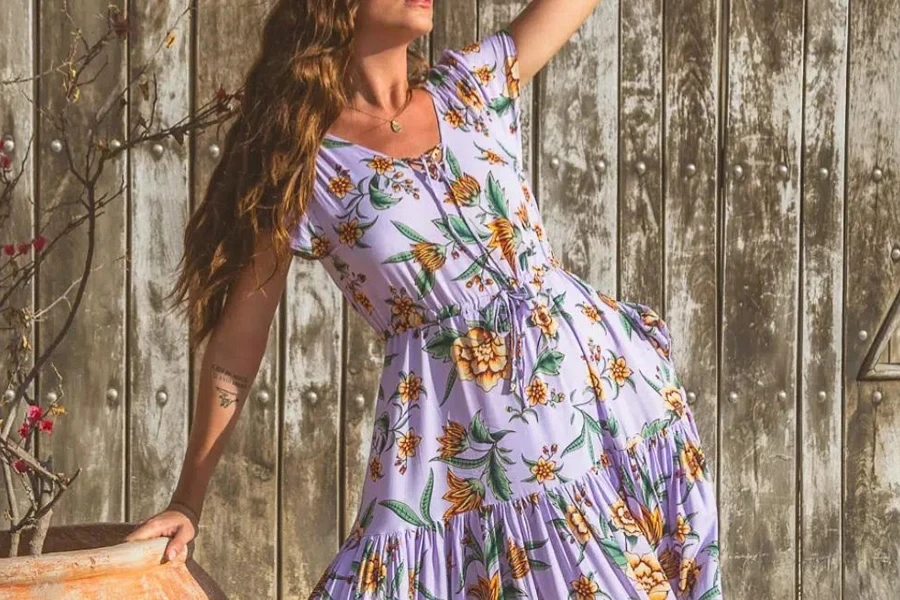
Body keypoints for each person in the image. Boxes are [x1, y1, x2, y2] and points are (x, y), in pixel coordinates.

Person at [126, 0, 723, 598]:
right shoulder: (301, 164)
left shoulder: (472, 85)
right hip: (454, 431)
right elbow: (236, 348)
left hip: (596, 398)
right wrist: (187, 501)